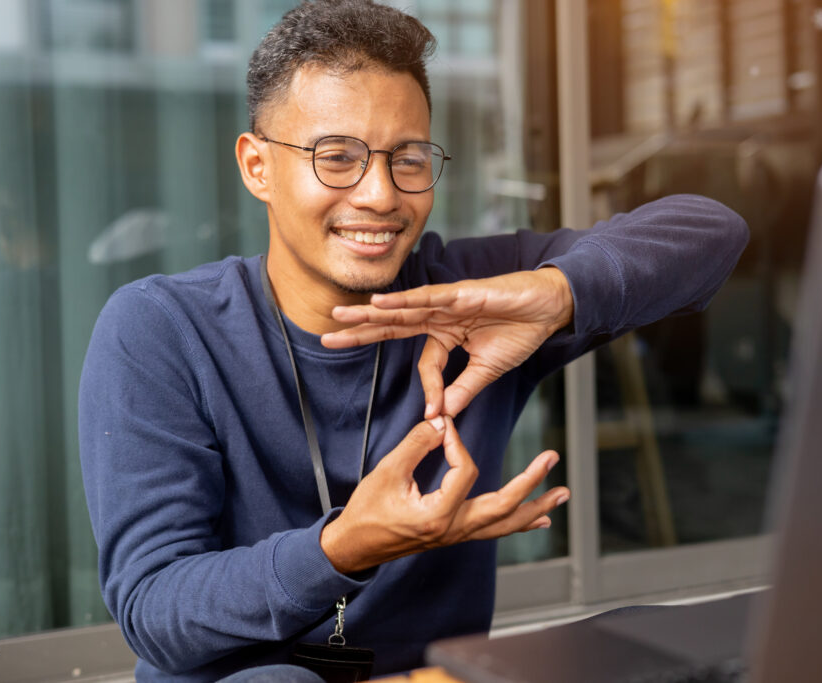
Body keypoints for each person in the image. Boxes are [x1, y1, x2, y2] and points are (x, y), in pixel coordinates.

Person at [78, 1, 749, 681]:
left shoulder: (470, 297)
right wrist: (341, 547)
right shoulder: (160, 328)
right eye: (336, 157)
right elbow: (155, 607)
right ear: (257, 167)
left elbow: (712, 232)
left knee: (699, 643)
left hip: (434, 677)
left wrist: (553, 294)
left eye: (408, 158)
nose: (380, 194)